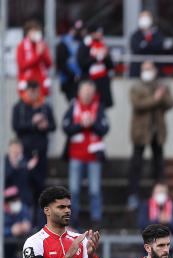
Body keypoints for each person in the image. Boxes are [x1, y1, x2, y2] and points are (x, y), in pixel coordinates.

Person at [62, 81, 109, 229]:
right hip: (76, 155)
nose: (87, 94)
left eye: (90, 91)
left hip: (94, 157)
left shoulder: (99, 107)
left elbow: (105, 128)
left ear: (93, 93)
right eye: (85, 91)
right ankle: (72, 218)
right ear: (79, 92)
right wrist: (80, 125)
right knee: (74, 190)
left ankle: (96, 219)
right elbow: (66, 127)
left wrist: (92, 124)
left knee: (94, 190)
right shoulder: (73, 106)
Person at [128, 62, 173, 203]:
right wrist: (155, 99)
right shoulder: (136, 87)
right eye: (144, 69)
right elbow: (138, 105)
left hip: (157, 131)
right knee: (136, 164)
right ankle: (133, 195)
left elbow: (171, 103)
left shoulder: (162, 86)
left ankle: (160, 195)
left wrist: (162, 95)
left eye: (149, 69)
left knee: (158, 164)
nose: (147, 72)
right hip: (140, 131)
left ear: (155, 71)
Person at [11, 80, 55, 219]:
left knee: (40, 187)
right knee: (24, 186)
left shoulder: (45, 107)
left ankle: (38, 220)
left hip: (41, 154)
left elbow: (53, 126)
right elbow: (16, 126)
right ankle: (25, 218)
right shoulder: (19, 107)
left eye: (36, 91)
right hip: (24, 154)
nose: (33, 94)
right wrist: (33, 123)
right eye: (31, 91)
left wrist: (45, 125)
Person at [77, 25, 114, 109]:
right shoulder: (85, 45)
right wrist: (96, 58)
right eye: (97, 32)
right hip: (89, 81)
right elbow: (81, 63)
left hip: (102, 82)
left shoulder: (103, 45)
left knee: (102, 107)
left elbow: (110, 66)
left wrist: (106, 57)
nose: (100, 34)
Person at [16, 20, 52, 99]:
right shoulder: (21, 46)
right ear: (27, 33)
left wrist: (42, 54)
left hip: (41, 84)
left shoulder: (42, 45)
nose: (35, 33)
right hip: (27, 84)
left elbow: (49, 64)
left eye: (37, 31)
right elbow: (22, 65)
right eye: (33, 31)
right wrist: (37, 55)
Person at [128, 11, 164, 78]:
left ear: (151, 19)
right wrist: (148, 45)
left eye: (146, 17)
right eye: (142, 17)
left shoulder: (157, 34)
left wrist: (145, 45)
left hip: (155, 68)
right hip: (137, 70)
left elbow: (158, 47)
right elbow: (136, 48)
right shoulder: (135, 35)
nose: (144, 19)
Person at [56, 20, 84, 101]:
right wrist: (73, 75)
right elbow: (60, 63)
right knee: (73, 103)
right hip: (69, 80)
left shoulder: (81, 41)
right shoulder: (64, 42)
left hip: (80, 79)